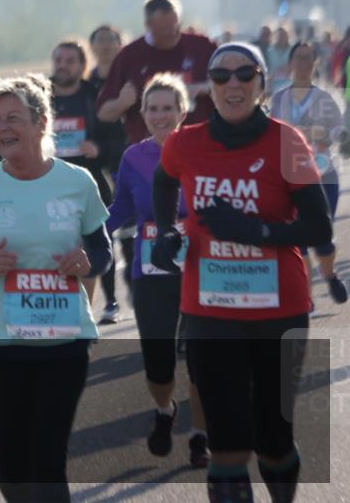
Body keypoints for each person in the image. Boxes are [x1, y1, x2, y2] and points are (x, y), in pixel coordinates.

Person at [151, 42, 332, 503]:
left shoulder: (286, 141)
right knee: (227, 440)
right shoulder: (184, 142)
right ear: (210, 88)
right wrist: (166, 231)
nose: (233, 84)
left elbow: (319, 226)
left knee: (273, 437)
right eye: (221, 76)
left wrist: (256, 231)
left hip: (279, 309)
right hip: (210, 308)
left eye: (244, 74)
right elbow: (164, 179)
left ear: (261, 83)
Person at [0, 73, 112, 502]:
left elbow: (102, 251)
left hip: (64, 342)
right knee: (14, 466)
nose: (2, 128)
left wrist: (88, 262)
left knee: (48, 463)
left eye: (13, 118)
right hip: (0, 346)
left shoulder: (78, 182)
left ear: (41, 123)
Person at [105, 73, 209, 467]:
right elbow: (121, 208)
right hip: (151, 270)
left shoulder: (202, 150)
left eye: (168, 108)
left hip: (201, 267)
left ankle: (200, 435)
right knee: (158, 360)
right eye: (152, 108)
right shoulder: (134, 157)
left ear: (183, 112)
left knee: (201, 357)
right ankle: (165, 410)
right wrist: (88, 235)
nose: (160, 115)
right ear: (143, 114)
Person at [269, 42, 348, 305]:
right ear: (290, 63)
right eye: (298, 58)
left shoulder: (325, 98)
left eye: (308, 58)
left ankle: (330, 274)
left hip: (323, 176)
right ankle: (306, 297)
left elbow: (339, 133)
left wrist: (325, 134)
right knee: (298, 240)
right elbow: (271, 133)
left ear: (315, 63)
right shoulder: (279, 98)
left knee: (322, 238)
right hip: (290, 177)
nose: (303, 63)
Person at [51, 40, 117, 324]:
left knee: (93, 249)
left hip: (89, 184)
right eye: (59, 60)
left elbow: (117, 141)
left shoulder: (95, 97)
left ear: (82, 65)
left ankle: (93, 311)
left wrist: (98, 149)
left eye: (70, 61)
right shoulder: (40, 96)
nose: (63, 66)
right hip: (49, 186)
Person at [96, 0, 217, 144]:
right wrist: (122, 102)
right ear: (148, 25)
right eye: (164, 28)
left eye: (175, 26)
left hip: (198, 143)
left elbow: (232, 85)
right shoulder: (130, 55)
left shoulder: (202, 47)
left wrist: (204, 87)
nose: (171, 33)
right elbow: (103, 113)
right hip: (149, 147)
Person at [87, 25, 134, 324]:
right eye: (100, 40)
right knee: (103, 232)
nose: (105, 46)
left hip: (126, 159)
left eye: (110, 40)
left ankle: (133, 284)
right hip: (95, 163)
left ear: (120, 44)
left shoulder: (129, 79)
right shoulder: (87, 83)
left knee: (130, 232)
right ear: (92, 46)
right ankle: (110, 302)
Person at [265, 27, 293, 95]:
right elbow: (267, 68)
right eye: (280, 36)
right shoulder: (269, 51)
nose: (282, 38)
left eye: (284, 35)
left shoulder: (292, 50)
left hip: (289, 84)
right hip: (273, 84)